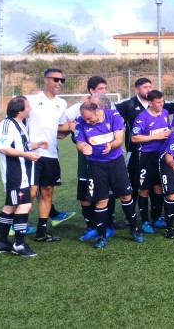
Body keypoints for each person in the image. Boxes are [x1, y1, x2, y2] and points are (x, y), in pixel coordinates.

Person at [74, 102, 144, 249]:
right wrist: (83, 148)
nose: (87, 121)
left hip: (115, 162)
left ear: (98, 110)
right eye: (85, 119)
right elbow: (79, 143)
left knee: (126, 196)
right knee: (101, 199)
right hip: (95, 165)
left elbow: (119, 139)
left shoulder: (113, 115)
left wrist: (110, 145)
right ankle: (101, 236)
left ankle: (134, 229)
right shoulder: (80, 122)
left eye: (89, 118)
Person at [60, 77, 116, 241]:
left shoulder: (110, 109)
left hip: (106, 159)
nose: (105, 91)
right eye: (101, 88)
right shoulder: (79, 110)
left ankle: (108, 225)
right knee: (85, 196)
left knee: (106, 193)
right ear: (91, 92)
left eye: (106, 88)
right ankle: (91, 226)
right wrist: (72, 130)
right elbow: (65, 128)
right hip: (85, 161)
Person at [25, 68, 75, 242]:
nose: (59, 83)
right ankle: (14, 227)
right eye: (56, 79)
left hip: (51, 155)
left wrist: (72, 127)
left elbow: (59, 128)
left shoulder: (61, 103)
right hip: (31, 154)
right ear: (46, 79)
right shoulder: (30, 100)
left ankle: (41, 233)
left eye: (62, 80)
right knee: (29, 193)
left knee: (47, 192)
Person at [0, 96, 48, 256]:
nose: (30, 108)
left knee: (10, 207)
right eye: (28, 106)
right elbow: (3, 147)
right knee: (24, 205)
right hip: (15, 174)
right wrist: (27, 155)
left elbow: (19, 145)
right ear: (19, 110)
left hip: (22, 172)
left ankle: (2, 243)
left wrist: (36, 145)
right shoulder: (7, 124)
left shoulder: (19, 124)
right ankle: (19, 244)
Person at [130, 90, 172, 234]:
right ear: (150, 103)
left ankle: (157, 217)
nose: (162, 104)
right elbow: (134, 138)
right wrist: (156, 136)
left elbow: (168, 129)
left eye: (162, 101)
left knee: (159, 188)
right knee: (144, 189)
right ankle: (145, 221)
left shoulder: (165, 113)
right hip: (146, 157)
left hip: (161, 156)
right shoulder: (142, 118)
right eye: (158, 102)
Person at [115, 77, 153, 206]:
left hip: (154, 151)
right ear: (137, 89)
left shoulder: (156, 102)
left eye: (150, 87)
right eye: (145, 87)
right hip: (134, 151)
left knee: (153, 185)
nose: (148, 89)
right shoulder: (128, 104)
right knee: (133, 183)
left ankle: (156, 215)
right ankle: (130, 215)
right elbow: (109, 108)